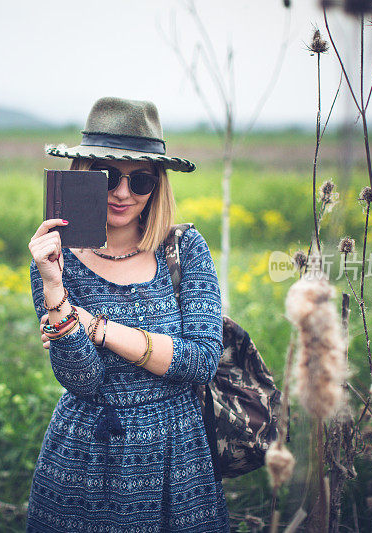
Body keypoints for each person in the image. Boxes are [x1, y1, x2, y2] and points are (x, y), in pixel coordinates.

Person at [27, 96, 229, 532]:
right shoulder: (56, 261)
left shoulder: (183, 249)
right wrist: (54, 287)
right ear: (82, 176)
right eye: (109, 177)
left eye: (140, 181)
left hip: (178, 456)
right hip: (85, 457)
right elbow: (84, 380)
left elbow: (201, 360)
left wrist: (95, 327)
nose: (122, 193)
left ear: (157, 186)